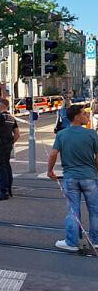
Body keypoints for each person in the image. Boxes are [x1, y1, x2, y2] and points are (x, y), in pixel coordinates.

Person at [47, 105, 98, 252]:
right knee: (95, 210)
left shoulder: (62, 134)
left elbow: (52, 154)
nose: (87, 116)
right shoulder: (91, 134)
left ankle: (72, 242)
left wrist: (50, 171)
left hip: (70, 178)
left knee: (73, 211)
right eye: (84, 114)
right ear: (76, 117)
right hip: (90, 177)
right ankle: (95, 241)